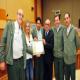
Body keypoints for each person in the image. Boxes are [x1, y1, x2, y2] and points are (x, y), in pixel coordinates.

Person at [0, 9, 27, 80]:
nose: (21, 17)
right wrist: (2, 60)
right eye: (19, 14)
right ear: (16, 15)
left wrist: (35, 50)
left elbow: (25, 47)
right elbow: (2, 43)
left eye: (22, 15)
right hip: (12, 63)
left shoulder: (22, 30)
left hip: (21, 61)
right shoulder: (9, 25)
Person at [63, 13, 80, 80]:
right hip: (65, 60)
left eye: (67, 18)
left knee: (73, 78)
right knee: (66, 78)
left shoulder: (74, 30)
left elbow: (78, 44)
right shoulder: (64, 30)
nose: (66, 20)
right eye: (65, 19)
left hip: (72, 60)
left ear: (70, 19)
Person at [52, 15, 64, 80]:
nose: (56, 22)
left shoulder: (63, 29)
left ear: (59, 21)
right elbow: (45, 28)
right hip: (55, 56)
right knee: (56, 74)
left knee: (61, 74)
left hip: (61, 56)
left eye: (57, 20)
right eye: (55, 20)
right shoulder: (52, 29)